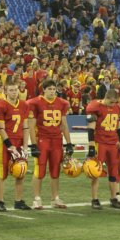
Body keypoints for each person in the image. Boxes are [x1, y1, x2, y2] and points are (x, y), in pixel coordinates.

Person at [27, 79, 72, 209]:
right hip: (42, 139)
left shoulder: (62, 103)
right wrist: (33, 144)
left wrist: (69, 143)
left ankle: (55, 198)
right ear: (44, 90)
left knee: (55, 170)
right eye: (50, 89)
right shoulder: (36, 103)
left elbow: (64, 125)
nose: (52, 91)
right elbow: (31, 126)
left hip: (57, 140)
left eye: (54, 89)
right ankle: (36, 198)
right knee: (40, 170)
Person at [0, 79, 32, 211]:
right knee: (2, 173)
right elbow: (0, 128)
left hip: (20, 141)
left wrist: (26, 146)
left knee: (21, 171)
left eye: (15, 90)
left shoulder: (24, 105)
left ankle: (19, 200)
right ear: (5, 91)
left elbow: (26, 127)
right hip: (6, 142)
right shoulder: (0, 105)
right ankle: (0, 201)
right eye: (11, 90)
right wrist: (10, 145)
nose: (14, 92)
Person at [85, 89, 120, 209]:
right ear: (106, 98)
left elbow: (119, 127)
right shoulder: (96, 107)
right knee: (96, 172)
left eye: (115, 102)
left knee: (114, 172)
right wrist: (91, 146)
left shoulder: (118, 108)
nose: (113, 104)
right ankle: (95, 199)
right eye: (111, 102)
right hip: (100, 143)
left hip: (113, 144)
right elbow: (91, 128)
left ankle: (113, 198)